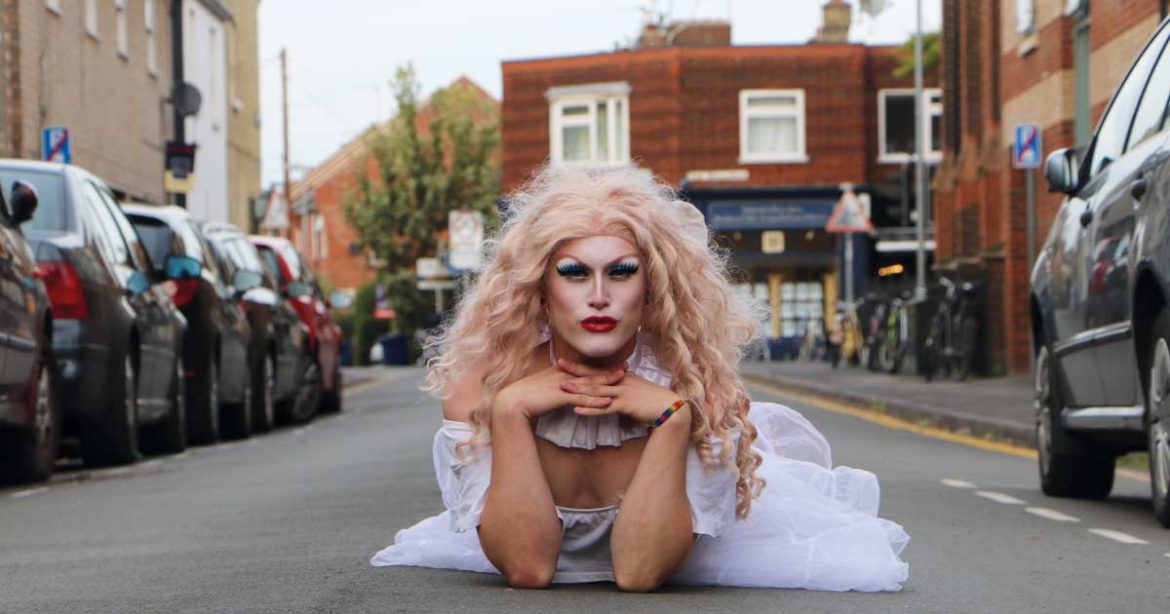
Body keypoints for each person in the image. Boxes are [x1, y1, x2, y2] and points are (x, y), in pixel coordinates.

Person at [371, 165, 909, 592]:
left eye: (621, 272)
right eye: (575, 272)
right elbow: (529, 569)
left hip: (658, 538)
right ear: (540, 290)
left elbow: (639, 574)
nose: (598, 295)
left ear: (651, 288)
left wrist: (674, 420)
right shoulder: (481, 387)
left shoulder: (695, 385)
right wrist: (511, 412)